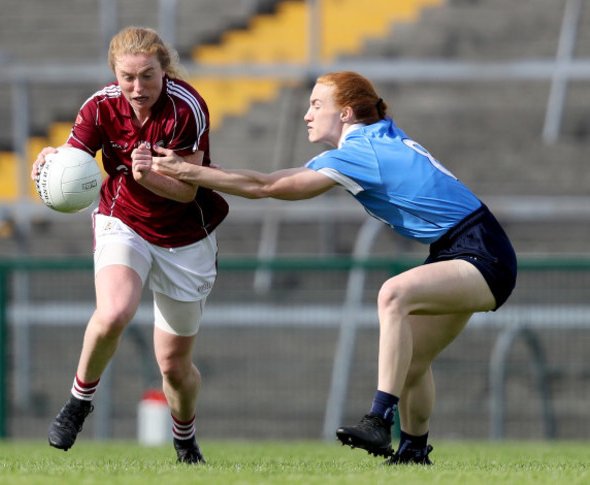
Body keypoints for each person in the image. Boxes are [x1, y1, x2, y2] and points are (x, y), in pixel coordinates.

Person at [150, 71, 517, 465]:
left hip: (481, 252)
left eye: (316, 105)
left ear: (345, 114)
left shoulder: (362, 152)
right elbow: (269, 180)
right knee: (410, 362)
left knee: (393, 295)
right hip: (462, 248)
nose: (307, 114)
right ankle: (412, 452)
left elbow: (267, 188)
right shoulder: (365, 142)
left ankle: (379, 419)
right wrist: (205, 171)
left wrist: (188, 172)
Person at [30, 26, 228, 464]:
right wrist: (50, 161)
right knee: (115, 311)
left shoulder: (187, 108)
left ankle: (184, 439)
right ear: (114, 75)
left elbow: (188, 191)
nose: (138, 88)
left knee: (173, 367)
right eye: (127, 78)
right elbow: (74, 162)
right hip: (125, 222)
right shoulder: (100, 107)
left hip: (185, 237)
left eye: (148, 77)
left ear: (165, 71)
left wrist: (149, 176)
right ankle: (78, 403)